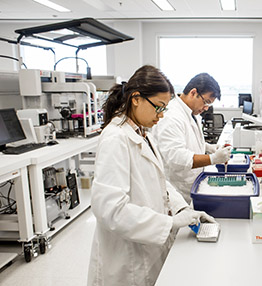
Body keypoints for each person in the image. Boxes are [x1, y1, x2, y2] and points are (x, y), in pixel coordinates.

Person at [87, 65, 215, 286]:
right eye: (158, 108)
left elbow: (160, 181)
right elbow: (110, 210)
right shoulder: (115, 139)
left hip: (147, 247)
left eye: (164, 109)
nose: (161, 116)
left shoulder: (143, 132)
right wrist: (170, 222)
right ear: (136, 99)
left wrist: (183, 209)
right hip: (125, 259)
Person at [153, 73, 232, 203]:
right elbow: (176, 157)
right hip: (178, 192)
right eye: (206, 102)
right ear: (193, 92)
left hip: (191, 185)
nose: (206, 108)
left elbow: (186, 139)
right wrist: (213, 159)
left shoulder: (190, 112)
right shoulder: (171, 117)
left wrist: (208, 147)